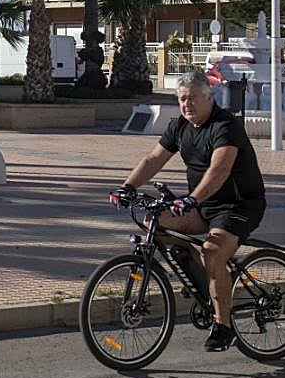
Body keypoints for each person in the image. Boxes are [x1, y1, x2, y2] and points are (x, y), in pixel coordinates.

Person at [112, 70, 266, 352]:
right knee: (154, 222)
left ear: (209, 98)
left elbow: (219, 170)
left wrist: (192, 199)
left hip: (239, 204)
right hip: (203, 204)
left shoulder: (226, 126)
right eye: (183, 99)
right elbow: (154, 158)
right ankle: (201, 279)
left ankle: (223, 326)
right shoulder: (180, 126)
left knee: (212, 251)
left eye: (193, 98)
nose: (187, 105)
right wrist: (127, 187)